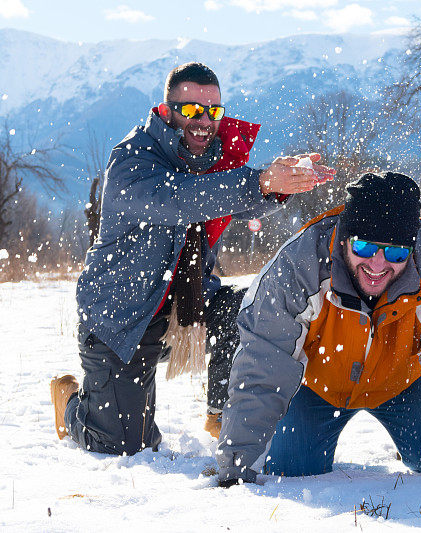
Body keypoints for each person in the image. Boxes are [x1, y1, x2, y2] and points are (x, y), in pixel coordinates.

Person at [49, 62, 334, 455]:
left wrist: (282, 183)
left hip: (184, 309)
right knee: (123, 445)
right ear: (167, 111)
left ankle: (224, 415)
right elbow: (183, 198)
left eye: (214, 110)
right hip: (122, 320)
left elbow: (237, 203)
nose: (204, 120)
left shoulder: (211, 159)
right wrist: (259, 181)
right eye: (192, 109)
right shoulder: (133, 161)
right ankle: (71, 406)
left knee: (254, 308)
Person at [216, 171, 421, 486]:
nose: (377, 265)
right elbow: (262, 366)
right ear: (345, 237)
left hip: (403, 385)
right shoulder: (301, 263)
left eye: (395, 252)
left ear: (411, 247)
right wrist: (236, 471)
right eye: (364, 247)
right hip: (315, 387)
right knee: (289, 473)